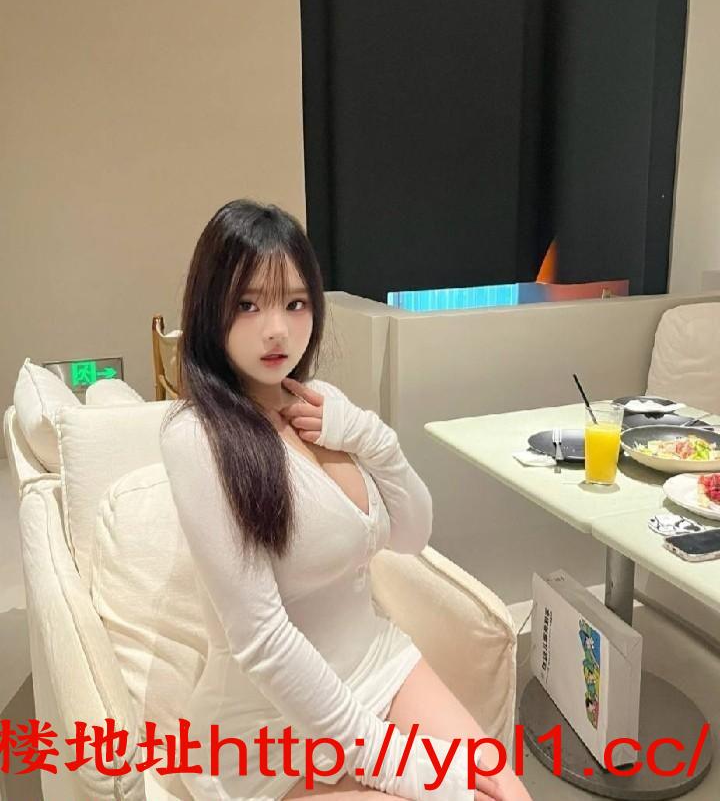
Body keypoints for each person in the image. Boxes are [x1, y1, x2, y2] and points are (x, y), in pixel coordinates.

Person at [159, 199, 533, 801]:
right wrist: (393, 766)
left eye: (294, 303)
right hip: (271, 727)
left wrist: (371, 438)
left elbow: (411, 533)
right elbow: (261, 639)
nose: (277, 329)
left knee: (513, 796)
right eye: (248, 304)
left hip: (379, 664)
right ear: (210, 309)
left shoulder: (321, 403)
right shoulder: (196, 437)